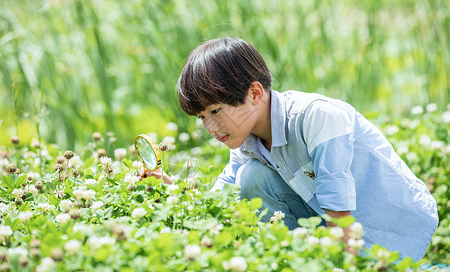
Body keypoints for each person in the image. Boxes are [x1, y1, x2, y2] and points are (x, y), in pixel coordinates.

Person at [174, 37, 438, 261]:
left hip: (393, 230)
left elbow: (339, 211)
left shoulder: (316, 117)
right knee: (250, 177)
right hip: (337, 227)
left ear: (255, 93)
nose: (210, 126)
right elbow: (220, 198)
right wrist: (174, 192)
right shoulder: (246, 139)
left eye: (215, 110)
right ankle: (299, 261)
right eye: (201, 116)